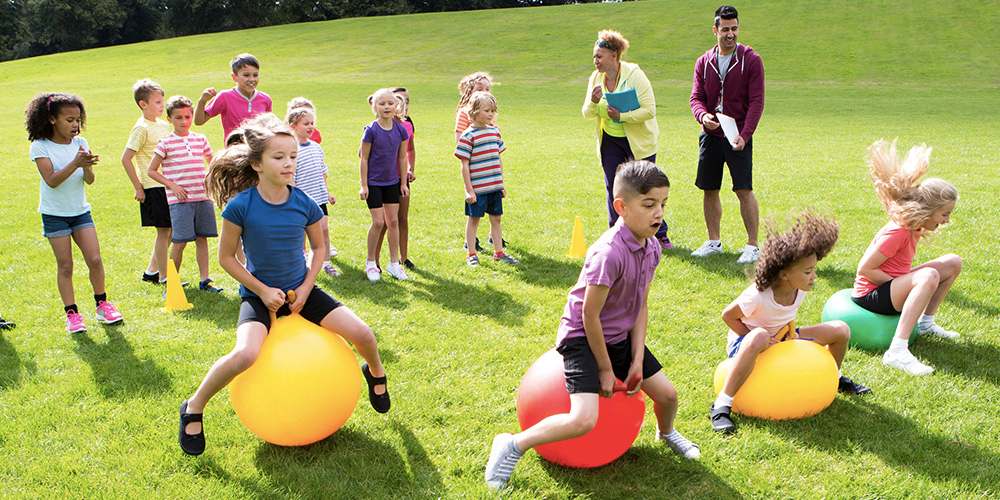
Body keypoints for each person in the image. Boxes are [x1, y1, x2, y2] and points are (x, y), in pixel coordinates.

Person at [178, 114, 391, 456]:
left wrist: (307, 287)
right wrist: (262, 290)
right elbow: (227, 259)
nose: (288, 163)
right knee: (246, 354)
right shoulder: (239, 207)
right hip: (258, 297)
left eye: (292, 156)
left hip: (301, 291)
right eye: (279, 157)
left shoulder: (303, 202)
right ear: (257, 164)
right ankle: (194, 406)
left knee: (363, 333)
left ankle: (377, 375)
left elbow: (320, 247)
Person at [484, 161, 699, 491]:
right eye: (649, 204)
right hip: (582, 338)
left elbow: (640, 305)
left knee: (668, 396)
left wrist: (637, 359)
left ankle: (666, 433)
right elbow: (589, 316)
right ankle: (513, 444)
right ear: (621, 207)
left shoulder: (651, 247)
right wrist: (603, 368)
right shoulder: (608, 254)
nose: (659, 213)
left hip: (619, 335)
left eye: (663, 204)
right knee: (584, 419)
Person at [710, 213, 871, 434]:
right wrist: (759, 338)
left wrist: (790, 335)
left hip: (783, 337)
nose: (813, 276)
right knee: (760, 335)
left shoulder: (799, 288)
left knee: (840, 330)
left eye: (814, 269)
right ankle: (722, 404)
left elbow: (787, 314)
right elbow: (728, 315)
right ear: (784, 274)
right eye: (807, 271)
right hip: (747, 345)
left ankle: (835, 377)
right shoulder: (758, 295)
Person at [853, 140, 962, 376]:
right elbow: (865, 269)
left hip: (890, 287)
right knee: (928, 275)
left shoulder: (914, 227)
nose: (946, 220)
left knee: (953, 262)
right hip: (869, 295)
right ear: (929, 209)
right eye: (944, 214)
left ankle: (926, 324)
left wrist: (904, 282)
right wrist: (904, 284)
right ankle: (897, 351)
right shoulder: (899, 231)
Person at [26, 92, 124, 333]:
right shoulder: (40, 146)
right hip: (54, 214)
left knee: (95, 259)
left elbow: (89, 180)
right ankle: (72, 315)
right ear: (52, 119)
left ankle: (102, 305)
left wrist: (88, 167)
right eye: (69, 120)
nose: (75, 125)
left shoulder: (81, 143)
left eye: (78, 120)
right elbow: (51, 180)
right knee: (66, 265)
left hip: (80, 211)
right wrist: (76, 164)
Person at [689, 5, 765, 264]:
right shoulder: (703, 61)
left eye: (734, 29)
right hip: (711, 136)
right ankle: (713, 241)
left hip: (738, 136)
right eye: (725, 29)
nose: (730, 34)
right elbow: (696, 98)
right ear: (715, 30)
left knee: (743, 189)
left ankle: (753, 245)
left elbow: (757, 102)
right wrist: (703, 116)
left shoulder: (751, 60)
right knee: (709, 189)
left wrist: (745, 135)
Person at [583, 30, 671, 251]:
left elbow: (649, 110)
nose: (596, 61)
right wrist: (594, 103)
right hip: (610, 141)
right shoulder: (595, 78)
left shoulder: (635, 75)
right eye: (594, 56)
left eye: (599, 56)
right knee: (614, 187)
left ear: (614, 55)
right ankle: (617, 234)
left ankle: (659, 234)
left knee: (647, 188)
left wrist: (622, 116)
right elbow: (586, 112)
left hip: (639, 142)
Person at [147, 96, 222, 293]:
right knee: (179, 242)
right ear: (170, 119)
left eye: (187, 116)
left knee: (202, 239)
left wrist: (210, 179)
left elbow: (212, 162)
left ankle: (205, 280)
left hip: (203, 197)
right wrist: (172, 186)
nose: (184, 121)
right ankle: (171, 283)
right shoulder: (165, 143)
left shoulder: (200, 139)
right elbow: (151, 170)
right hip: (180, 201)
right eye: (178, 117)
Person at [121, 79, 174, 285]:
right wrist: (138, 187)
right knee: (164, 231)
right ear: (143, 104)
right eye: (158, 102)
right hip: (153, 186)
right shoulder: (141, 128)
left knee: (171, 231)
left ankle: (152, 271)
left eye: (163, 101)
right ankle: (163, 276)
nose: (162, 106)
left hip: (168, 183)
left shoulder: (163, 125)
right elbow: (126, 158)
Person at [456, 92, 518, 267]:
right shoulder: (468, 135)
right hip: (477, 189)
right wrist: (469, 189)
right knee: (474, 220)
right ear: (474, 111)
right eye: (487, 110)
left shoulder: (494, 131)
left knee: (496, 219)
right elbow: (464, 165)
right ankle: (471, 253)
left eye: (493, 110)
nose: (491, 114)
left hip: (494, 187)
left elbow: (498, 159)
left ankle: (499, 252)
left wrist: (501, 184)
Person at [359, 88, 410, 282]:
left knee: (394, 222)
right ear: (375, 107)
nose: (387, 107)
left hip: (392, 183)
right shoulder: (371, 130)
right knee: (378, 222)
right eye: (382, 103)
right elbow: (363, 158)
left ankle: (394, 264)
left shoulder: (400, 129)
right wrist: (364, 185)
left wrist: (403, 182)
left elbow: (402, 157)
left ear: (396, 105)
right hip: (373, 183)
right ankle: (371, 262)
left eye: (390, 103)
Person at [287, 106, 338, 277]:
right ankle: (301, 264)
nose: (310, 127)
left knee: (323, 229)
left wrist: (327, 192)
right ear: (293, 125)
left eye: (312, 123)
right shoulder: (292, 150)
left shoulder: (316, 147)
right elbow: (290, 177)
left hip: (319, 198)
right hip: (300, 199)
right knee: (300, 232)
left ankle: (326, 262)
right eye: (305, 123)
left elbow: (322, 172)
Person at [375, 88, 416, 269]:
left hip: (402, 179)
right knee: (384, 222)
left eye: (405, 103)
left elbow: (410, 150)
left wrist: (410, 169)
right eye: (398, 102)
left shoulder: (407, 126)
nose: (402, 106)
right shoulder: (379, 126)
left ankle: (403, 257)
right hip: (384, 180)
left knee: (402, 218)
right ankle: (374, 260)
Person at [195, 53, 273, 142]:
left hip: (258, 152)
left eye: (255, 75)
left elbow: (268, 127)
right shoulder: (225, 97)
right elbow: (199, 121)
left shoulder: (265, 99)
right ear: (234, 77)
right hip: (234, 152)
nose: (252, 79)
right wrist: (202, 101)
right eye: (246, 75)